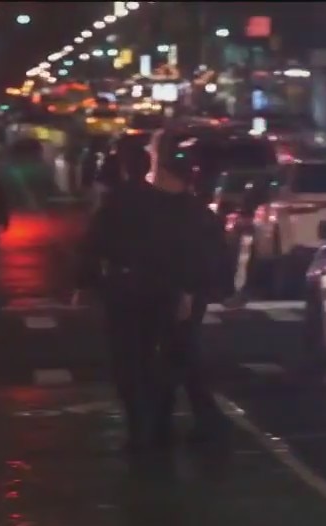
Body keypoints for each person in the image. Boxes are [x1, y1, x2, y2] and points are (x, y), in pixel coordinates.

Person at [79, 147, 174, 453]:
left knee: (126, 358)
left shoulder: (113, 203)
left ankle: (137, 426)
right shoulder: (162, 202)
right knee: (153, 354)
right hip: (158, 284)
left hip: (123, 285)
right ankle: (160, 424)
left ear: (124, 169)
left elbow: (94, 243)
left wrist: (87, 282)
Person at [148, 149, 231, 444]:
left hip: (183, 292)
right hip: (185, 291)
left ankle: (188, 419)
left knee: (179, 352)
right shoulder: (194, 211)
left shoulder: (184, 213)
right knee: (179, 352)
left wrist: (187, 291)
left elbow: (197, 256)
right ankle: (187, 417)